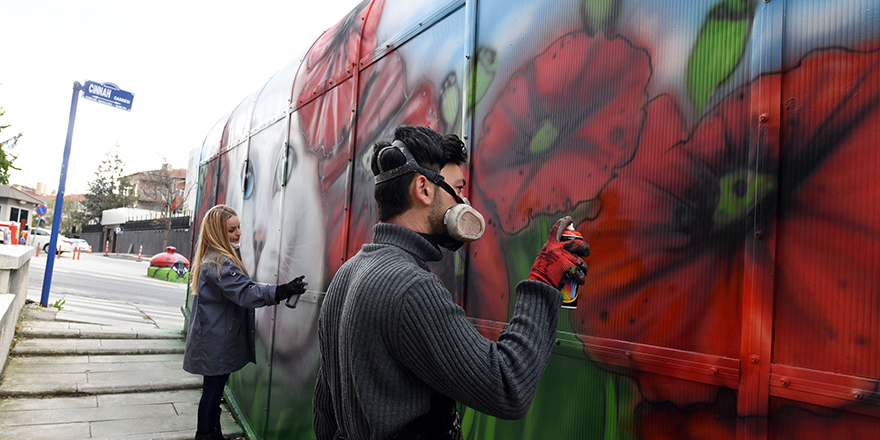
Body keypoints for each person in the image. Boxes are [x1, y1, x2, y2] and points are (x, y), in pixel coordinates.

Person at [313, 126, 590, 440]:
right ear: (425, 189)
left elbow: (325, 408)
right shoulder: (411, 287)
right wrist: (543, 282)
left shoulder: (346, 276)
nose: (463, 201)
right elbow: (507, 385)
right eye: (457, 188)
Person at [184, 204, 308, 440]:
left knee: (213, 390)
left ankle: (211, 432)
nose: (239, 233)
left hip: (213, 338)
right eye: (232, 230)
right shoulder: (220, 264)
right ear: (219, 233)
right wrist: (283, 290)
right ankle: (205, 435)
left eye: (238, 227)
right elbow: (247, 293)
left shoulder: (214, 258)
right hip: (216, 340)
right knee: (212, 391)